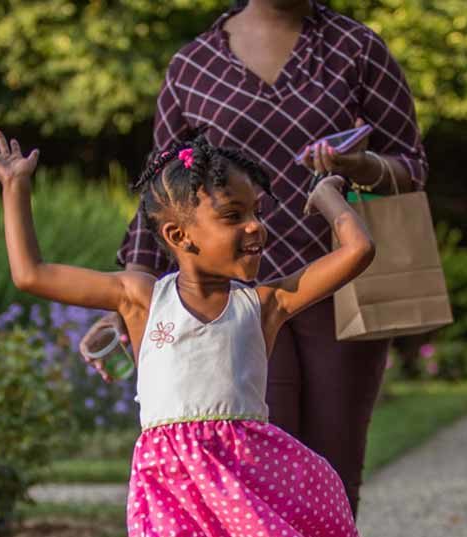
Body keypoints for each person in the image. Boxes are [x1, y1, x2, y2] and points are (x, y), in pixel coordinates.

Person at [91, 0, 429, 513]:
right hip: (231, 304)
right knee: (256, 477)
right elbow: (162, 194)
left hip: (339, 286)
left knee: (334, 477)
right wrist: (128, 301)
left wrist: (357, 164)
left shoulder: (356, 48)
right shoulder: (194, 65)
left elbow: (412, 166)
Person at [0, 132, 372, 536]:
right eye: (233, 216)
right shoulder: (141, 298)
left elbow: (359, 251)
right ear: (178, 236)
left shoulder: (265, 304)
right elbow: (31, 275)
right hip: (170, 492)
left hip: (249, 482)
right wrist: (15, 187)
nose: (255, 226)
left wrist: (326, 195)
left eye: (256, 211)